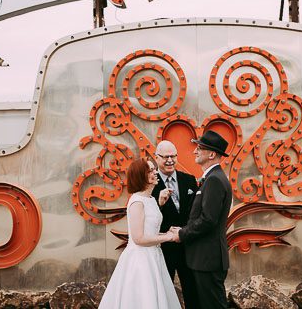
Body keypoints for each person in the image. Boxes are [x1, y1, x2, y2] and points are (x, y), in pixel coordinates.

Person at [99, 158, 181, 309]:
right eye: (150, 170)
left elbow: (150, 229)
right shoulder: (137, 202)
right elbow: (138, 238)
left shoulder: (150, 199)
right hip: (141, 260)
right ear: (140, 176)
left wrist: (165, 231)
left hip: (154, 256)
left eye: (154, 169)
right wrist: (168, 237)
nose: (155, 172)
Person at [170, 131, 232, 309]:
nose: (194, 152)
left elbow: (208, 220)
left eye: (199, 148)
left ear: (211, 154)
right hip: (205, 258)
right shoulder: (212, 178)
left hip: (208, 259)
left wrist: (182, 234)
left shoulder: (214, 180)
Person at [152, 140, 200, 308]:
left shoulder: (189, 180)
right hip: (163, 248)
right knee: (164, 293)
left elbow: (196, 212)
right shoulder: (150, 183)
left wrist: (185, 232)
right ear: (156, 158)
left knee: (193, 291)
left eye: (173, 156)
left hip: (187, 245)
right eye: (166, 157)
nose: (170, 160)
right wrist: (159, 203)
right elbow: (147, 215)